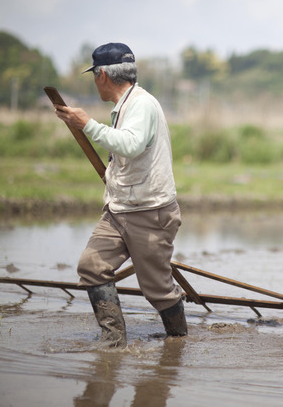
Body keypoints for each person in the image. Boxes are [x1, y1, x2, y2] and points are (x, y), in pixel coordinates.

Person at [54, 42, 186, 347]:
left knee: (158, 291)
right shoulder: (125, 105)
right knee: (91, 266)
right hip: (119, 209)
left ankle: (179, 342)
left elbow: (129, 145)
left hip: (150, 212)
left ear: (102, 74)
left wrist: (86, 124)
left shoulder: (141, 104)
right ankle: (112, 342)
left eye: (93, 75)